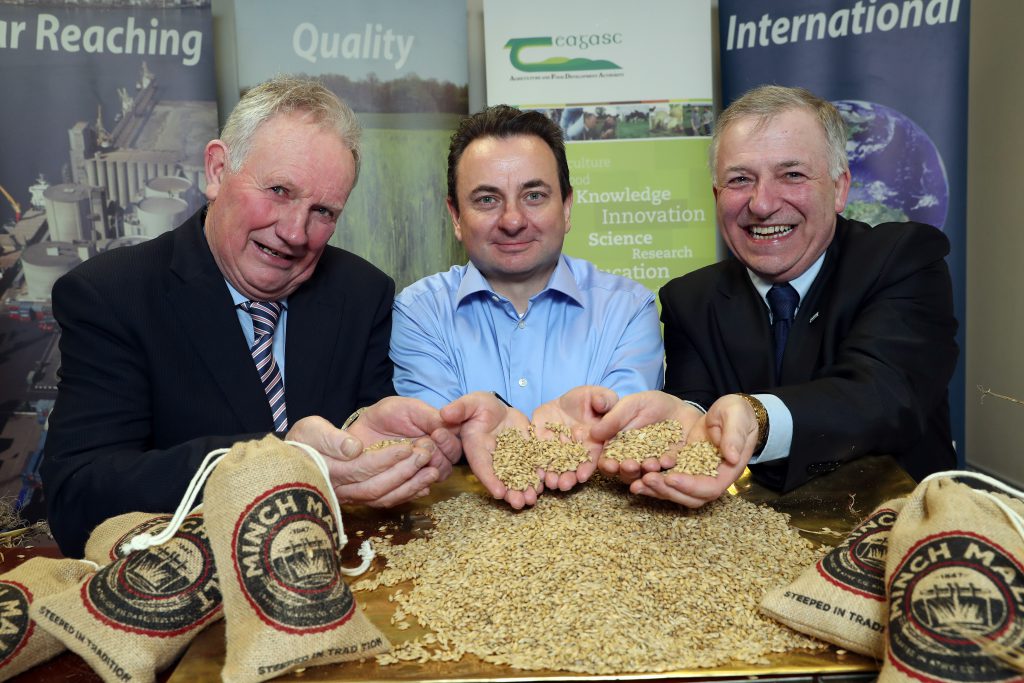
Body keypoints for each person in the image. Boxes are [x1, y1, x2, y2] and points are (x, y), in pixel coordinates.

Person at [42, 76, 459, 557]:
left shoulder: (362, 293)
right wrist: (284, 461)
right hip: (192, 592)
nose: (295, 231)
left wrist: (386, 441)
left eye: (323, 211)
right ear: (217, 169)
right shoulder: (112, 295)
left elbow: (362, 450)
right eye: (280, 190)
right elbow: (78, 498)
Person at [594, 85, 958, 507]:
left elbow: (884, 393)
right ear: (717, 197)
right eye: (740, 179)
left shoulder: (903, 259)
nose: (762, 203)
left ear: (840, 189)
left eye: (792, 175)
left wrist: (759, 417)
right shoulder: (690, 299)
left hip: (893, 522)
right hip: (750, 539)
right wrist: (682, 418)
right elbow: (695, 407)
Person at [390, 105, 664, 507]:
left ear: (567, 207)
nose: (513, 220)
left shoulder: (629, 311)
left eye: (534, 195)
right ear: (456, 216)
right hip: (464, 548)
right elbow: (434, 440)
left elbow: (626, 442)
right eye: (487, 199)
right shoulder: (418, 313)